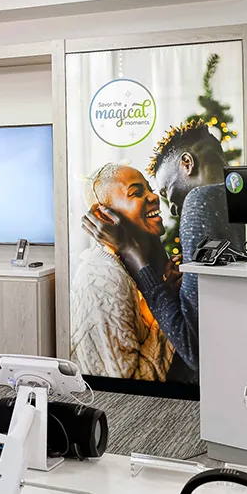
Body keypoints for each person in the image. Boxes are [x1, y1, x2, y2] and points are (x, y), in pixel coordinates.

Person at [84, 121, 245, 377]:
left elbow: (194, 349)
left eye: (164, 190)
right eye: (137, 192)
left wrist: (131, 252)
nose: (170, 207)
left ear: (187, 163)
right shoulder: (235, 203)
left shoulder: (200, 201)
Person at [71, 163, 175, 381]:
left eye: (150, 189)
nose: (153, 197)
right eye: (136, 192)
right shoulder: (102, 276)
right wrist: (171, 304)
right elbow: (125, 385)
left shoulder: (147, 261)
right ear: (104, 216)